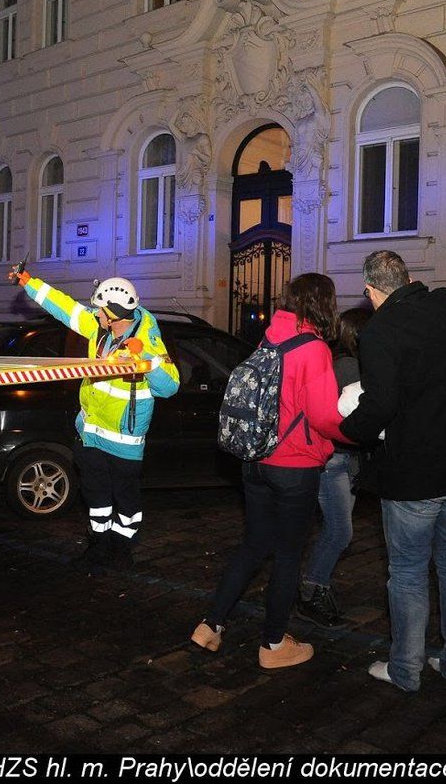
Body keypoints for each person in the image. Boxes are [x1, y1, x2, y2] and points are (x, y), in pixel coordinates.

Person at [339, 250, 446, 692]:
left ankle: (406, 670)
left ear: (370, 291)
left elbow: (380, 405)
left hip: (416, 475)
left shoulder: (379, 332)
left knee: (407, 573)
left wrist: (346, 429)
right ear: (407, 278)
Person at [191, 273, 348, 670]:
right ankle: (274, 644)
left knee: (254, 544)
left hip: (255, 460)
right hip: (293, 465)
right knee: (289, 554)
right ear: (323, 303)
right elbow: (324, 416)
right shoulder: (313, 349)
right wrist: (346, 434)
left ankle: (211, 624)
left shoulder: (270, 337)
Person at [8, 267, 179, 572]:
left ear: (114, 314)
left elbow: (170, 386)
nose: (95, 314)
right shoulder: (99, 327)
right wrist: (29, 283)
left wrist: (145, 362)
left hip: (124, 440)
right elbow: (65, 308)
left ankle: (123, 547)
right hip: (90, 433)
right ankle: (98, 546)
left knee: (126, 501)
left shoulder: (147, 338)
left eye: (101, 310)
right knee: (95, 495)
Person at [296, 306, 372, 629]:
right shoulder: (348, 367)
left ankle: (316, 583)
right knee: (340, 530)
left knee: (335, 529)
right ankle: (311, 591)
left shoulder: (344, 362)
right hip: (334, 462)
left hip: (343, 461)